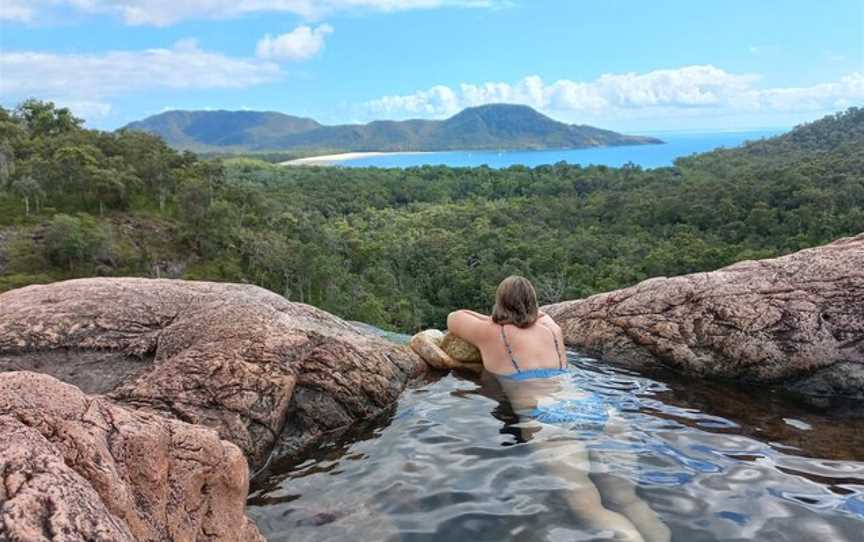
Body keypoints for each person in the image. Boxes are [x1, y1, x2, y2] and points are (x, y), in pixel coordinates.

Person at [447, 275, 670, 542]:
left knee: (591, 509)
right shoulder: (551, 325)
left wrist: (495, 316)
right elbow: (532, 315)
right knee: (628, 500)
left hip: (547, 417)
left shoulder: (492, 333)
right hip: (595, 409)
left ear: (500, 304)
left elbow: (455, 317)